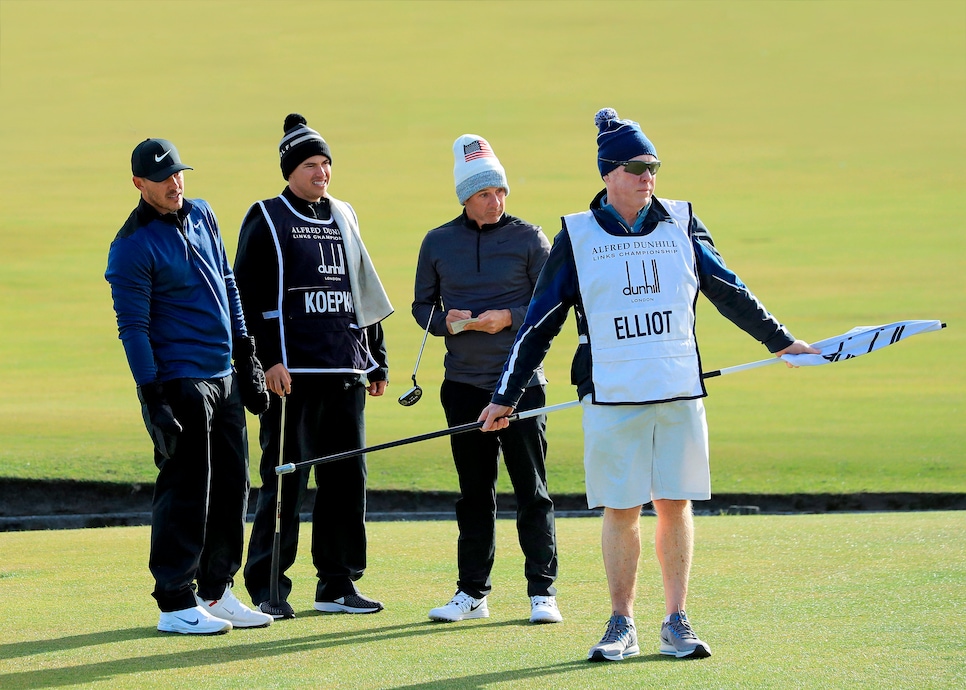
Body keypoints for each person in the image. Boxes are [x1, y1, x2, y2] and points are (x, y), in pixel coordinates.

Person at [478, 108, 820, 661]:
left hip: (679, 386)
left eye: (653, 165)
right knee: (621, 507)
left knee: (675, 502)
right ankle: (621, 623)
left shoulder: (682, 221)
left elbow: (727, 288)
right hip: (611, 392)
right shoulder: (577, 234)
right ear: (609, 173)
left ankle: (677, 620)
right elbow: (541, 321)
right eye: (637, 166)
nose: (648, 175)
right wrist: (505, 396)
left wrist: (781, 342)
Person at [106, 138, 274, 635]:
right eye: (163, 178)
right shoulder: (132, 245)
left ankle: (216, 589)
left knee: (232, 486)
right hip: (179, 380)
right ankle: (175, 600)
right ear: (139, 184)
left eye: (179, 174)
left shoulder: (203, 214)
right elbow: (133, 329)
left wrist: (247, 355)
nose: (175, 184)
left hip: (223, 375)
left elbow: (227, 281)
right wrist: (151, 397)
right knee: (186, 488)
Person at [235, 114, 394, 620]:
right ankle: (268, 588)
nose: (321, 173)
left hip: (345, 372)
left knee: (347, 484)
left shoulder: (344, 215)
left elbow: (362, 291)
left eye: (326, 164)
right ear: (289, 169)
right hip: (291, 379)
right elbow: (247, 297)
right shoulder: (266, 217)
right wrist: (268, 362)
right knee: (284, 483)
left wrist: (376, 361)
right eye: (311, 164)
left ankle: (337, 584)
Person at [413, 135, 561, 625]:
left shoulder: (531, 238)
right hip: (463, 386)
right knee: (474, 493)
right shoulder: (437, 242)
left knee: (531, 490)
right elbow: (422, 309)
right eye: (484, 194)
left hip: (520, 385)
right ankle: (471, 593)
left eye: (500, 191)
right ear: (464, 198)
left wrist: (507, 317)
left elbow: (551, 307)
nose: (495, 201)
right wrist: (447, 322)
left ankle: (542, 592)